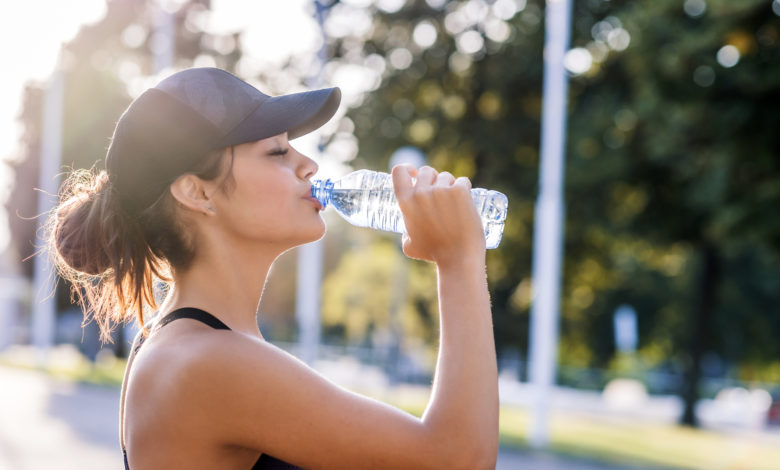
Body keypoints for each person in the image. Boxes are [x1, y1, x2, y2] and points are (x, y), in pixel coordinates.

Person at [48, 67, 498, 469]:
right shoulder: (208, 362)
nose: (310, 165)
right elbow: (458, 459)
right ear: (196, 193)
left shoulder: (194, 345)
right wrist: (458, 262)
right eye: (278, 152)